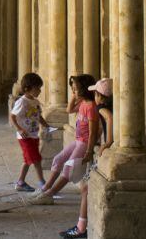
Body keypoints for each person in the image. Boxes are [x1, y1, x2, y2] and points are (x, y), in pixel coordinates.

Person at [29, 74, 99, 205]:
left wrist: (89, 151)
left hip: (84, 143)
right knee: (58, 159)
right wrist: (75, 94)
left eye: (76, 89)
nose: (73, 91)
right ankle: (45, 188)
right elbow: (69, 109)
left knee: (68, 168)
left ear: (84, 89)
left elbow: (93, 133)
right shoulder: (83, 103)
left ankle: (49, 194)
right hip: (78, 141)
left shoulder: (91, 107)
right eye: (72, 89)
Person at [60, 78, 113, 239]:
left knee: (85, 189)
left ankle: (81, 228)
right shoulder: (101, 106)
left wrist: (108, 141)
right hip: (98, 149)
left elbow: (109, 119)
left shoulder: (101, 107)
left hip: (103, 152)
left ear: (99, 95)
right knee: (85, 189)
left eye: (95, 93)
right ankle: (82, 226)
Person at [9, 72, 49, 191]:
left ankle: (21, 182)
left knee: (28, 160)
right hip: (25, 137)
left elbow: (38, 116)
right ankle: (42, 183)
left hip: (34, 135)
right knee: (36, 159)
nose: (39, 91)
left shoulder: (35, 102)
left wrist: (45, 125)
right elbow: (12, 116)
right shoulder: (22, 102)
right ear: (27, 89)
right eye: (37, 88)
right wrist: (20, 129)